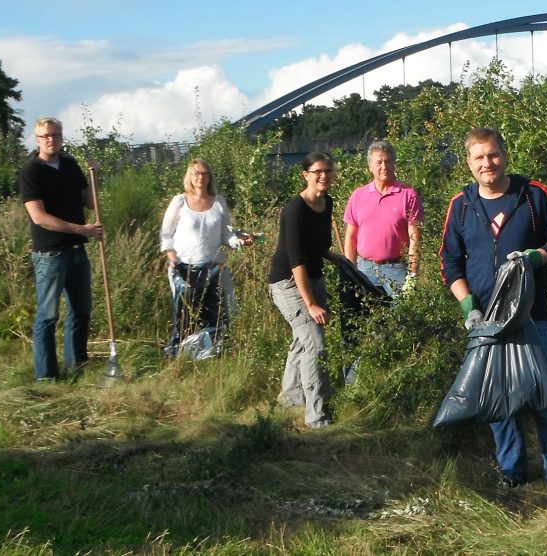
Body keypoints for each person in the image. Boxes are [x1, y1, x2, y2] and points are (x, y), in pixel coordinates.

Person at [439, 127, 547, 506]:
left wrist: (536, 257)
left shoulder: (532, 194)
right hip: (485, 322)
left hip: (532, 318)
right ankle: (512, 475)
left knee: (545, 401)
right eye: (479, 157)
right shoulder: (462, 205)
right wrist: (469, 308)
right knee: (497, 403)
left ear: (505, 154)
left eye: (493, 155)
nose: (488, 163)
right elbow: (449, 262)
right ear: (469, 163)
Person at [18, 117, 104, 383]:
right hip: (50, 254)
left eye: (55, 135)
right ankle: (47, 377)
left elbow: (89, 203)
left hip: (77, 251)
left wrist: (94, 177)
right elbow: (39, 217)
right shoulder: (30, 171)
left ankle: (76, 366)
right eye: (45, 136)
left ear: (61, 137)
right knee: (48, 315)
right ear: (37, 140)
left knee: (81, 311)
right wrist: (82, 230)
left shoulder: (69, 165)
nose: (51, 139)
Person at [268, 152, 338, 429]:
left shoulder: (327, 202)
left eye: (328, 171)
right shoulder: (294, 209)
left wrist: (336, 258)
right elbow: (295, 259)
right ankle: (317, 416)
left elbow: (318, 247)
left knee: (303, 340)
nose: (324, 176)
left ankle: (290, 398)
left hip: (314, 278)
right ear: (306, 175)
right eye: (318, 171)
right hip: (288, 282)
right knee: (315, 345)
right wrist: (310, 304)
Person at [159, 158, 253, 357]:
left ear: (210, 177)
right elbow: (166, 235)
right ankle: (177, 354)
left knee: (215, 314)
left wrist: (240, 242)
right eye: (196, 173)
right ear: (189, 177)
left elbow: (225, 235)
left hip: (213, 267)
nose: (200, 177)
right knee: (183, 316)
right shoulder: (180, 201)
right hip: (184, 267)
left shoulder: (219, 202)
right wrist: (173, 259)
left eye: (204, 173)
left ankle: (208, 354)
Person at [343, 140, 424, 297]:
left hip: (397, 269)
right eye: (378, 162)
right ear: (370, 167)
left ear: (394, 164)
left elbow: (415, 238)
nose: (383, 166)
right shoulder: (358, 196)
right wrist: (350, 270)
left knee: (403, 317)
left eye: (387, 161)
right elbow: (350, 237)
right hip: (364, 269)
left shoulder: (408, 195)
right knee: (366, 316)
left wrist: (412, 275)